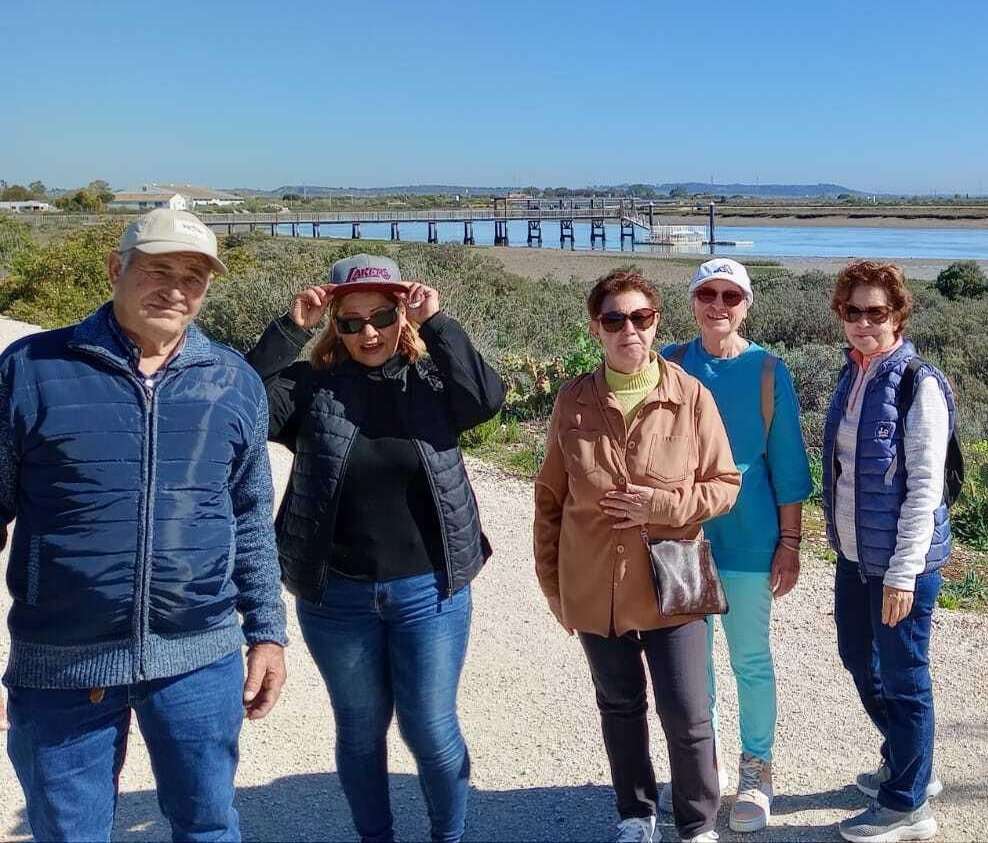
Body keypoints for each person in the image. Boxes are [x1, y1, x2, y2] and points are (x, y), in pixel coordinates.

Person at [0, 209, 288, 842]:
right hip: (63, 662)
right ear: (115, 269)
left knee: (208, 828)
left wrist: (268, 633)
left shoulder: (234, 381)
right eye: (158, 270)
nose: (176, 289)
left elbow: (249, 520)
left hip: (200, 660)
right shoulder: (31, 369)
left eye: (194, 276)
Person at [245, 254, 504, 843]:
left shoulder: (432, 382)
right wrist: (288, 330)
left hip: (429, 589)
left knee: (431, 729)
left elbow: (486, 399)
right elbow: (237, 406)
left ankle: (448, 836)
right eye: (351, 321)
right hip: (336, 595)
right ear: (333, 324)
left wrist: (439, 324)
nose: (369, 333)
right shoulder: (309, 386)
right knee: (360, 730)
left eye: (383, 316)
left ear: (402, 316)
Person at [535, 269, 741, 843]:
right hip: (594, 585)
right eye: (615, 319)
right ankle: (636, 813)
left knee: (688, 716)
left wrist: (661, 505)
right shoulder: (573, 400)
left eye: (641, 317)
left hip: (671, 585)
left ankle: (697, 824)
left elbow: (725, 485)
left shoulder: (690, 396)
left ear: (655, 323)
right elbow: (550, 499)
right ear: (596, 328)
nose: (630, 329)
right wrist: (555, 586)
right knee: (619, 708)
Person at [660, 259, 812, 834]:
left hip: (750, 540)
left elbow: (789, 466)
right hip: (682, 537)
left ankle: (757, 768)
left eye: (730, 296)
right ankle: (707, 765)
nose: (718, 306)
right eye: (707, 294)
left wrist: (790, 541)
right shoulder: (669, 362)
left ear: (746, 305)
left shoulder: (768, 371)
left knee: (750, 659)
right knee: (691, 667)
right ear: (694, 301)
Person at [822, 260, 955, 843]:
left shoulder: (916, 382)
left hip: (902, 564)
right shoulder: (852, 376)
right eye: (853, 311)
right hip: (855, 557)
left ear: (898, 313)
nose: (863, 321)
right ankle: (909, 765)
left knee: (904, 679)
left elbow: (925, 486)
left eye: (876, 311)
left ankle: (907, 806)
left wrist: (902, 574)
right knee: (859, 658)